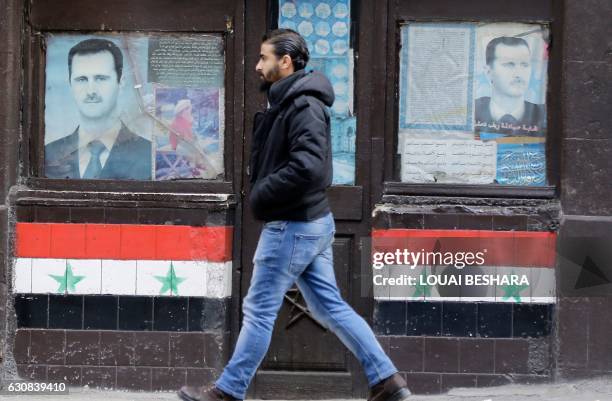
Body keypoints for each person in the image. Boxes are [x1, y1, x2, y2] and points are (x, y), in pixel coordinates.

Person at [178, 29, 411, 401]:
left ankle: (228, 392)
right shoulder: (290, 100)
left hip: (293, 225)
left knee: (258, 310)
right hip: (310, 223)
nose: (257, 65)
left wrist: (262, 193)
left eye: (264, 58)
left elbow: (310, 169)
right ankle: (387, 380)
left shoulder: (303, 105)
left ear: (285, 62)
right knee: (329, 306)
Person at [44, 38, 152, 180]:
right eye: (82, 79)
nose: (91, 91)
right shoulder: (48, 155)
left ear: (121, 82)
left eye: (101, 78)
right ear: (70, 83)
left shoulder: (148, 154)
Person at [474, 36, 546, 136]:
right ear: (488, 72)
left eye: (525, 65)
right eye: (509, 64)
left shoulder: (545, 115)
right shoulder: (472, 112)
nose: (519, 74)